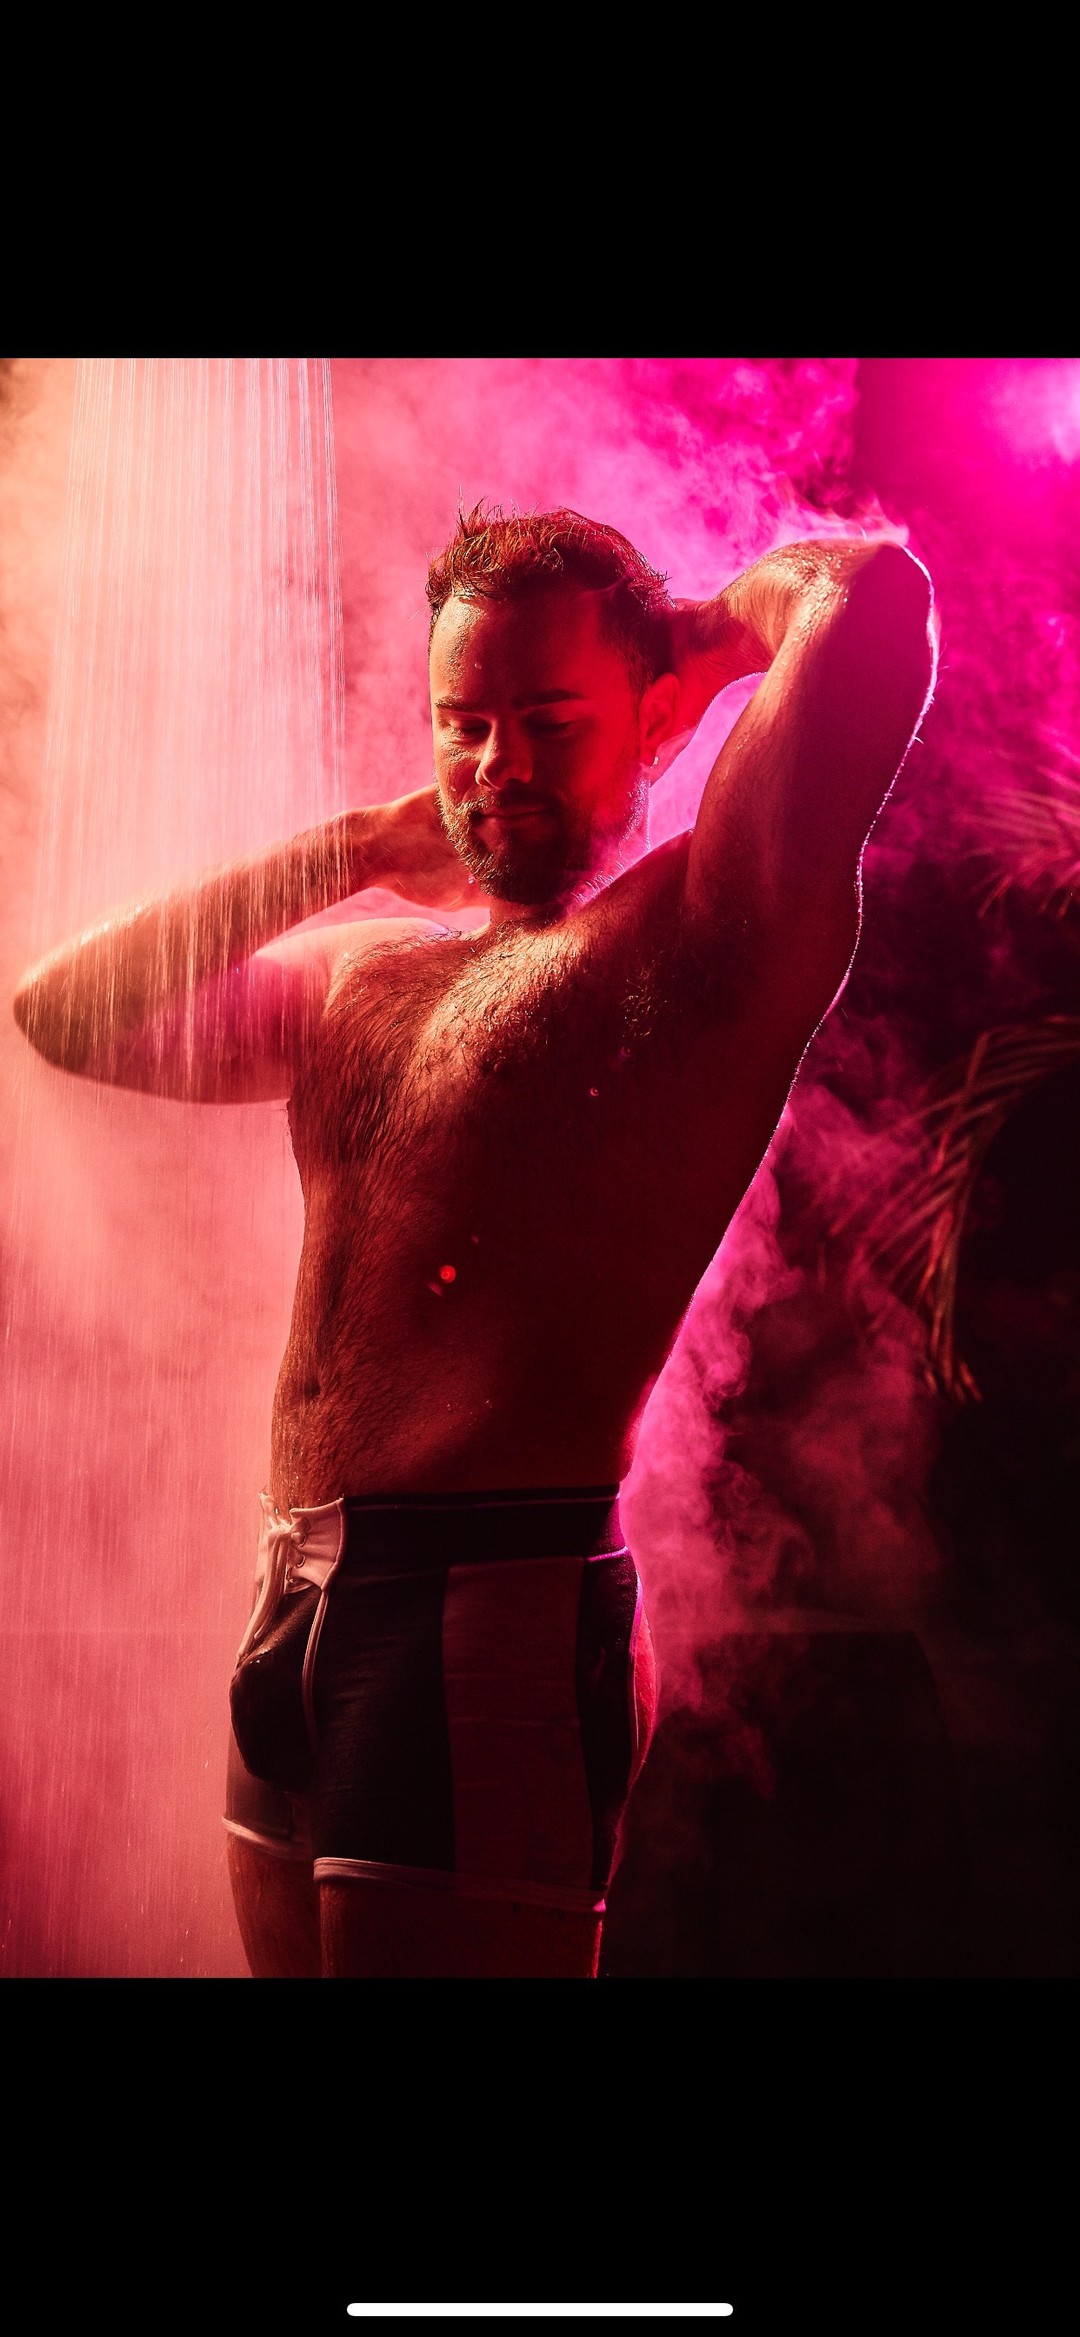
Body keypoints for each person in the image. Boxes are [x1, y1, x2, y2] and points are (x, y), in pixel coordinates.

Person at [13, 505, 937, 1979]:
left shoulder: (705, 937)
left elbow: (873, 602)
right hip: (295, 1596)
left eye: (549, 722)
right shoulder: (370, 978)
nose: (497, 765)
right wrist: (357, 846)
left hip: (488, 1606)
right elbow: (66, 1011)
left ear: (650, 719)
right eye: (466, 724)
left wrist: (705, 634)